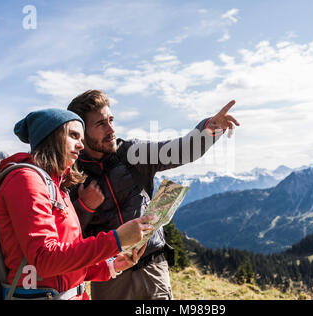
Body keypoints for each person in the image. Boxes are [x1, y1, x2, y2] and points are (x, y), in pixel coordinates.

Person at [67, 90, 240, 300]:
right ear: (82, 131)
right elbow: (68, 235)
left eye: (111, 120)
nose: (111, 129)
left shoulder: (131, 152)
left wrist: (209, 130)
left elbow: (181, 150)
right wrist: (85, 207)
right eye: (101, 124)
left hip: (152, 268)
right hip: (109, 276)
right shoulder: (72, 174)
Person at [0, 108, 154, 300]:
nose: (80, 145)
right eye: (73, 135)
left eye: (82, 139)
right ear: (50, 137)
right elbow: (45, 260)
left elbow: (67, 259)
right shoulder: (25, 180)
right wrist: (116, 240)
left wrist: (110, 265)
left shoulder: (57, 187)